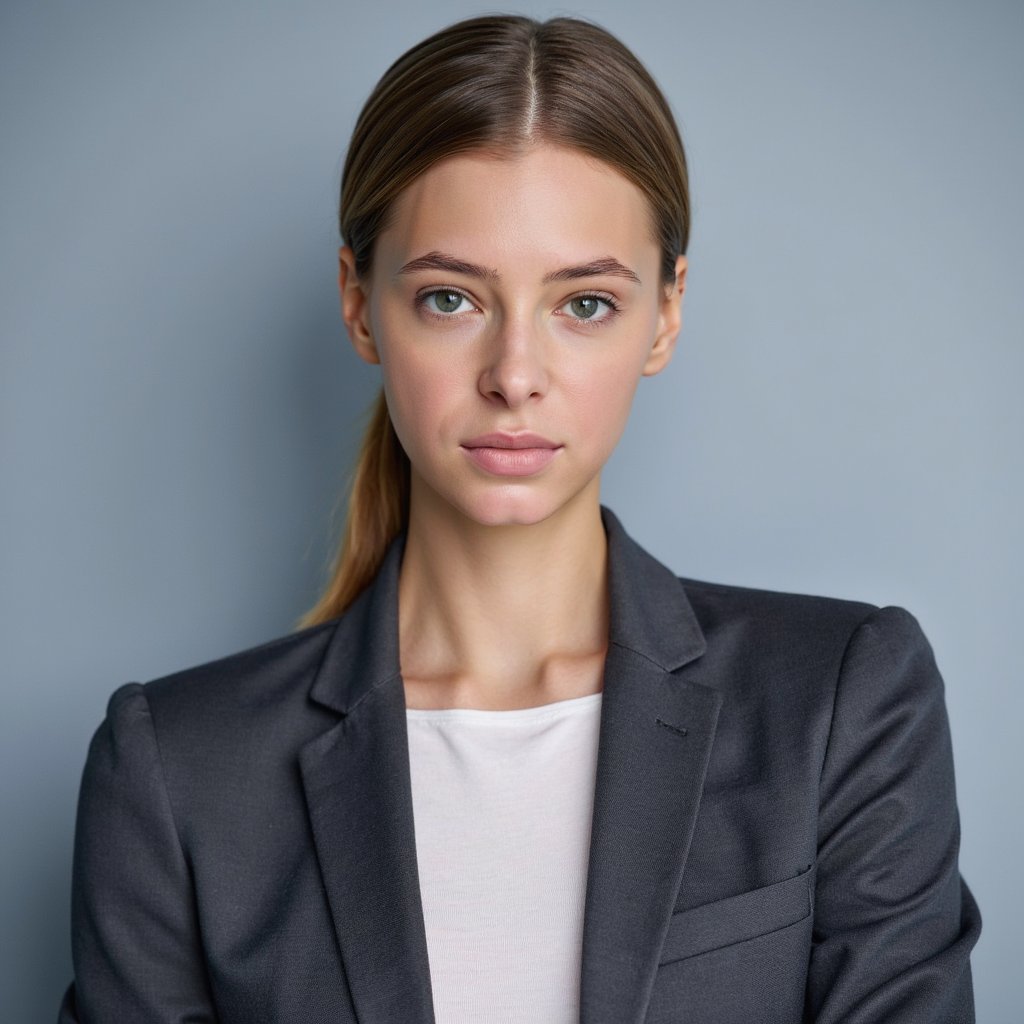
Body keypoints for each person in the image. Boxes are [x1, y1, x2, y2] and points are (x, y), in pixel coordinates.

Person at [58, 13, 980, 1024]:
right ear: (359, 305)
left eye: (582, 304)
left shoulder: (839, 701)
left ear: (664, 314)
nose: (513, 377)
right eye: (450, 298)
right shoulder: (180, 770)